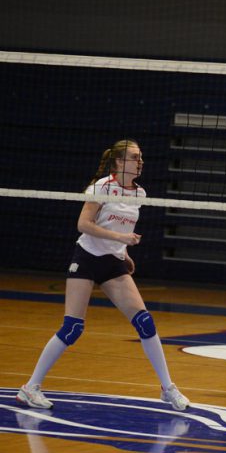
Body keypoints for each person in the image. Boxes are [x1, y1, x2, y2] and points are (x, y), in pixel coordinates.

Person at [16, 140, 189, 412]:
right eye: (134, 157)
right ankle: (30, 387)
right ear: (119, 162)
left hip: (113, 263)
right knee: (73, 328)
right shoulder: (102, 187)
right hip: (87, 258)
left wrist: (123, 252)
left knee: (145, 322)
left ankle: (168, 389)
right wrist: (121, 239)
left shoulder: (140, 193)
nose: (140, 161)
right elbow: (83, 224)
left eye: (141, 157)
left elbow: (120, 230)